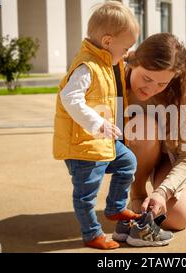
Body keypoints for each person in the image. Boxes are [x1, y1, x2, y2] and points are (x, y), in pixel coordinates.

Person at [52, 1, 140, 250]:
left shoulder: (103, 62)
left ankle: (115, 207)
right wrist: (98, 123)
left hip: (101, 142)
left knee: (128, 162)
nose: (126, 54)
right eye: (125, 48)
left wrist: (131, 55)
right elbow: (69, 98)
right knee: (85, 195)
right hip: (83, 146)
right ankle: (91, 234)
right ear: (108, 42)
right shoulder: (86, 67)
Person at [125, 33, 186, 232]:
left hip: (176, 159)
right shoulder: (113, 77)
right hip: (137, 153)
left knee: (175, 218)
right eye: (147, 78)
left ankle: (156, 195)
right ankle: (137, 196)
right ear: (134, 60)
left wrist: (162, 192)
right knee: (143, 126)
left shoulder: (184, 90)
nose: (151, 89)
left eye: (162, 84)